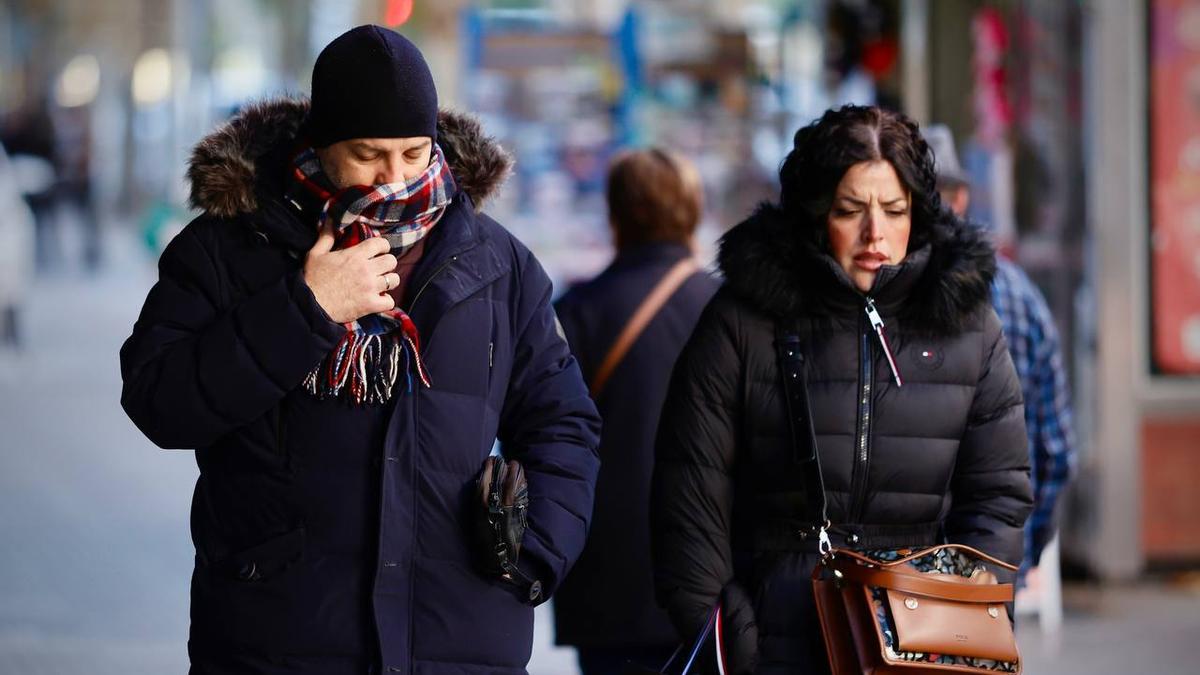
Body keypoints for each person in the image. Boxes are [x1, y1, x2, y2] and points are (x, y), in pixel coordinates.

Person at [120, 25, 600, 675]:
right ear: (321, 145)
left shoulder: (496, 263)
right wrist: (305, 310)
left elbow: (562, 421)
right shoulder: (228, 250)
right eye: (369, 153)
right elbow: (159, 400)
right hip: (277, 641)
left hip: (458, 642)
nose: (395, 178)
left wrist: (532, 550)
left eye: (413, 153)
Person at [652, 105, 1033, 674]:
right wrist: (732, 635)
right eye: (851, 209)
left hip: (919, 642)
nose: (874, 233)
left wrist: (959, 613)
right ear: (815, 215)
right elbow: (689, 493)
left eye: (894, 210)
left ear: (919, 216)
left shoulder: (967, 325)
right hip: (774, 642)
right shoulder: (743, 320)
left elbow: (999, 494)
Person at [553, 149, 719, 675]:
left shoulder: (574, 313)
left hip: (604, 579)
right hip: (704, 573)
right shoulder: (726, 309)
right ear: (692, 210)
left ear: (615, 213)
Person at [925, 123, 1076, 574]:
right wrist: (1027, 544)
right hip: (994, 559)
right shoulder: (1021, 294)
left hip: (911, 564)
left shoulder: (886, 297)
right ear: (962, 198)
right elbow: (1057, 448)